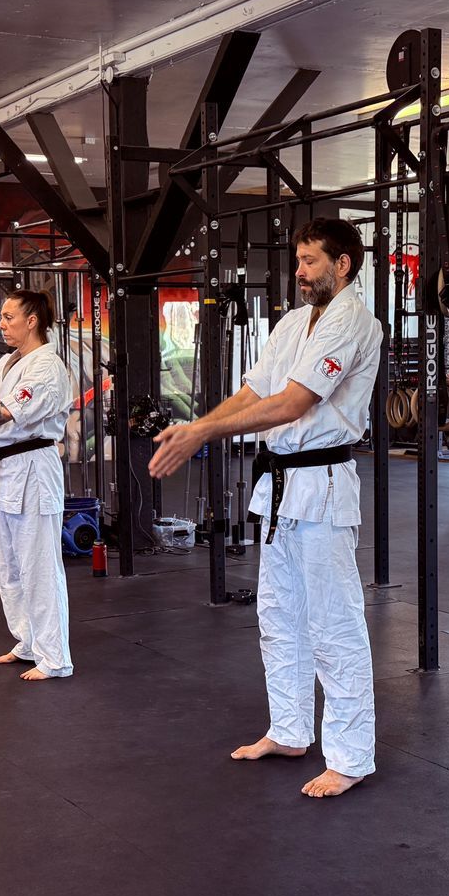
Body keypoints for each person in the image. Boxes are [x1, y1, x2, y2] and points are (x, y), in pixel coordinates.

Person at [150, 218, 384, 799]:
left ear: (343, 264)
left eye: (309, 262)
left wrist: (202, 437)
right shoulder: (290, 324)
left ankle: (352, 756)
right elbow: (256, 391)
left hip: (324, 483)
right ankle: (289, 729)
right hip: (281, 487)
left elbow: (293, 403)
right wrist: (199, 425)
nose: (299, 272)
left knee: (333, 623)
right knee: (279, 615)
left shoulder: (355, 322)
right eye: (298, 261)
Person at [0, 289, 74, 680]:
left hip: (34, 466)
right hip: (7, 470)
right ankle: (27, 641)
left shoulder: (46, 367)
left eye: (8, 317)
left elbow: (3, 413)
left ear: (32, 321)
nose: (2, 324)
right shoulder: (10, 362)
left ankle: (54, 657)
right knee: (9, 566)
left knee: (39, 565)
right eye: (2, 317)